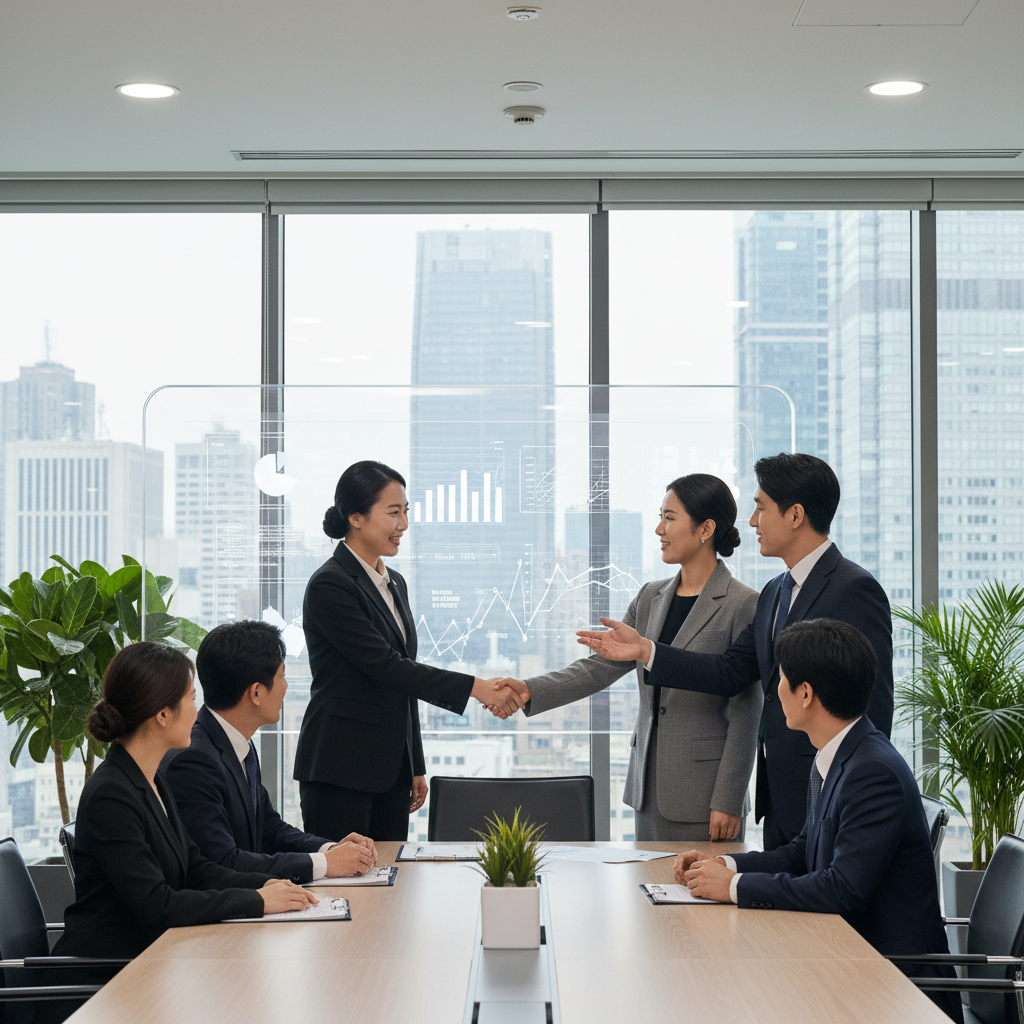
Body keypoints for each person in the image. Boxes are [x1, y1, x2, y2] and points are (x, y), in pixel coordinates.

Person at [576, 453, 894, 849]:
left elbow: (874, 708)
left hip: (834, 802)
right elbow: (728, 673)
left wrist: (856, 798)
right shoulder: (776, 593)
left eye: (761, 507)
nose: (752, 521)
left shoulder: (854, 589)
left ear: (795, 515)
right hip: (781, 804)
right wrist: (646, 650)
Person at [675, 618, 962, 1023]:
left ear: (806, 693)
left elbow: (842, 889)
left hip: (893, 983)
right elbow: (802, 852)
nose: (775, 691)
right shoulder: (841, 755)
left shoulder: (871, 772)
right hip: (850, 959)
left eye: (781, 679)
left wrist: (735, 888)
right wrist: (725, 866)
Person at [45, 642, 316, 1020]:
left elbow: (195, 867)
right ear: (162, 714)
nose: (197, 711)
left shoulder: (152, 777)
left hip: (153, 960)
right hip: (108, 979)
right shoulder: (112, 794)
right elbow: (157, 905)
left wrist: (263, 886)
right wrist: (256, 901)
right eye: (191, 699)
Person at [494, 474, 762, 842]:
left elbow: (748, 707)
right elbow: (600, 667)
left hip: (707, 794)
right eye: (660, 517)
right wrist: (529, 689)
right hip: (647, 785)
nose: (659, 529)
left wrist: (729, 798)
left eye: (669, 518)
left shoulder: (743, 603)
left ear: (706, 529)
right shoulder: (651, 597)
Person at [294, 460, 525, 841]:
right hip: (340, 767)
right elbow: (387, 667)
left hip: (390, 771)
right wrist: (476, 687)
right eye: (393, 513)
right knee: (345, 887)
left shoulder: (394, 582)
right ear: (356, 517)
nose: (403, 524)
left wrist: (413, 763)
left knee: (391, 882)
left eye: (406, 512)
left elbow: (404, 677)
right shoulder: (330, 585)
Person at [164, 620, 377, 883]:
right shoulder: (193, 761)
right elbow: (222, 862)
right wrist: (324, 864)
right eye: (282, 676)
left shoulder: (238, 741)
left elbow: (269, 829)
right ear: (255, 692)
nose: (286, 687)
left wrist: (330, 850)